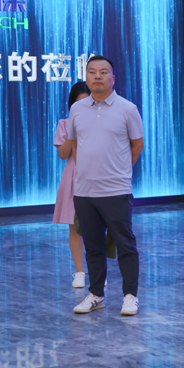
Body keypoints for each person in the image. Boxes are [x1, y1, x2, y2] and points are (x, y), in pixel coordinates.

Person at [68, 55, 144, 317]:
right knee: (93, 246)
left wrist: (120, 170)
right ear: (86, 76)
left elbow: (137, 144)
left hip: (116, 190)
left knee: (125, 244)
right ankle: (96, 294)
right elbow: (75, 143)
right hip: (84, 191)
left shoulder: (127, 108)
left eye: (103, 72)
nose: (97, 76)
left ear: (113, 78)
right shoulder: (77, 109)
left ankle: (130, 296)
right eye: (92, 72)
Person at [53, 81, 91, 288]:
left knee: (96, 228)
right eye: (78, 104)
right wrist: (73, 127)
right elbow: (63, 154)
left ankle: (97, 272)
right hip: (73, 177)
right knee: (75, 228)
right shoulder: (64, 124)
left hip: (97, 176)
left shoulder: (101, 122)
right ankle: (79, 272)